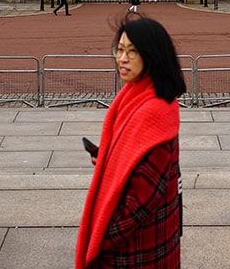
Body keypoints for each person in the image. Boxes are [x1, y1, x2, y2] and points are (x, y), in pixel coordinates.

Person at [76, 17, 186, 268]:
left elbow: (143, 199)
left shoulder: (153, 110)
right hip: (150, 239)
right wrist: (109, 158)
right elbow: (135, 153)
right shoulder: (142, 94)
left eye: (132, 51)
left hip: (136, 250)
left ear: (152, 56)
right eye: (120, 49)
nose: (122, 58)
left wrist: (103, 239)